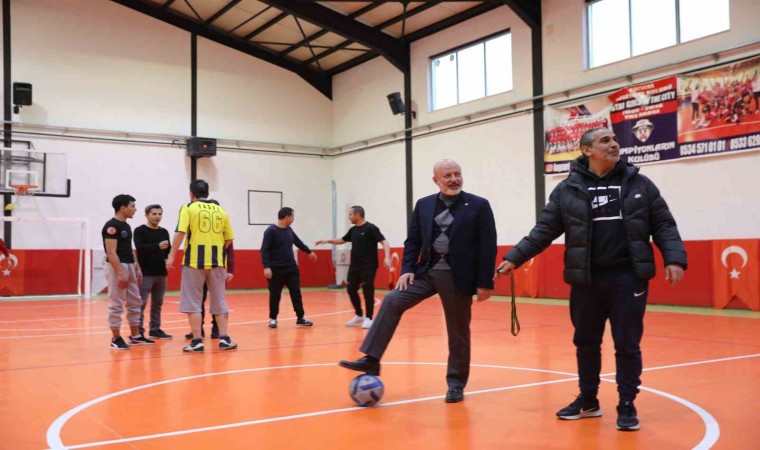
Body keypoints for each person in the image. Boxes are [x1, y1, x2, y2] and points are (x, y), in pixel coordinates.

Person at [495, 127, 687, 431]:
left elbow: (663, 224)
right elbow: (544, 230)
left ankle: (627, 404)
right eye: (605, 141)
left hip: (628, 278)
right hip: (586, 280)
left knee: (627, 344)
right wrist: (515, 257)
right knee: (585, 342)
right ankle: (588, 400)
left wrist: (674, 258)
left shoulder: (639, 183)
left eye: (615, 140)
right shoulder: (567, 189)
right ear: (587, 150)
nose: (614, 144)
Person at [339, 160, 497, 404]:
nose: (454, 179)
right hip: (427, 272)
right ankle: (371, 358)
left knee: (457, 332)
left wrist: (485, 282)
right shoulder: (424, 205)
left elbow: (488, 245)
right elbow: (412, 240)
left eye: (457, 174)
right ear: (436, 180)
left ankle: (456, 384)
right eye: (447, 175)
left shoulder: (478, 205)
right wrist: (407, 269)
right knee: (392, 300)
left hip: (459, 277)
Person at [166, 180, 237, 352]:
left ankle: (197, 341)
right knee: (220, 300)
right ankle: (224, 338)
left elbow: (180, 233)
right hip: (217, 262)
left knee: (193, 302)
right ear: (208, 193)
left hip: (193, 262)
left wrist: (171, 256)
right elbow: (229, 239)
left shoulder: (188, 208)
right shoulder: (221, 210)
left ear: (191, 194)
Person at [315, 206, 391, 329]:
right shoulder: (353, 230)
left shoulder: (371, 228)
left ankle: (369, 318)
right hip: (355, 266)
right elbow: (342, 240)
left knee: (367, 291)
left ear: (358, 215)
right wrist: (327, 240)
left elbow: (384, 242)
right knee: (351, 289)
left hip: (368, 266)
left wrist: (387, 257)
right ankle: (359, 315)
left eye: (350, 214)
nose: (348, 217)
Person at [102, 194, 154, 349]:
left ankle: (136, 336)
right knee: (116, 302)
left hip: (129, 265)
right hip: (117, 266)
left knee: (135, 301)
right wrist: (120, 272)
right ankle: (116, 338)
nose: (135, 209)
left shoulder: (126, 225)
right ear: (122, 208)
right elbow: (111, 252)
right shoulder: (111, 226)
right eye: (133, 206)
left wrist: (136, 266)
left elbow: (128, 249)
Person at [184, 200, 236, 340]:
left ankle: (217, 329)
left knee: (217, 299)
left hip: (216, 266)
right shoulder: (201, 229)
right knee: (199, 300)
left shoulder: (221, 230)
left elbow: (230, 250)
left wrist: (230, 270)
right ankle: (198, 330)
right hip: (201, 265)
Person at [261, 207, 317, 328]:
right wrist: (266, 267)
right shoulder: (271, 231)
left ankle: (300, 318)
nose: (293, 219)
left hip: (291, 268)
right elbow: (264, 250)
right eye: (292, 217)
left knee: (296, 293)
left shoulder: (289, 229)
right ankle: (273, 318)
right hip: (276, 270)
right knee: (275, 295)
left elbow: (298, 242)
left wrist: (309, 252)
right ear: (286, 217)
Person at [134, 204, 173, 340]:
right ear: (146, 215)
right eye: (154, 214)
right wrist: (157, 246)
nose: (157, 217)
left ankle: (155, 329)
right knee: (141, 303)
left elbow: (168, 249)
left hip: (161, 273)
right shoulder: (140, 230)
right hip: (145, 273)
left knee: (157, 303)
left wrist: (168, 259)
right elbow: (140, 247)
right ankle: (138, 331)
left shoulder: (164, 232)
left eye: (159, 214)